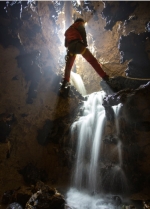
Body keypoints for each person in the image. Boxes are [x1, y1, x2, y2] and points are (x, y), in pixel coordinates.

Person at [62, 18, 109, 87]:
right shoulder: (79, 24)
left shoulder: (67, 31)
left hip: (71, 49)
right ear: (81, 22)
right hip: (78, 45)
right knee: (92, 60)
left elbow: (65, 45)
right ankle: (104, 76)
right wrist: (85, 43)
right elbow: (83, 32)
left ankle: (65, 82)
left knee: (68, 66)